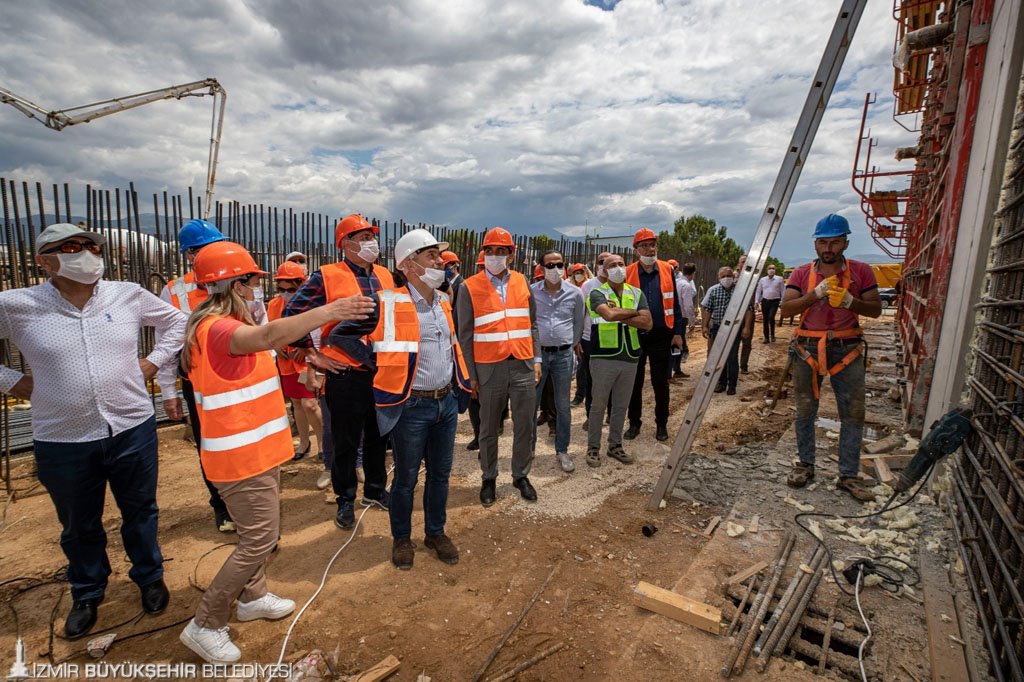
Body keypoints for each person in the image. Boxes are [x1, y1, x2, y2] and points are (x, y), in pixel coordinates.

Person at [178, 241, 374, 662]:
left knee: (260, 534)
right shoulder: (218, 330)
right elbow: (267, 335)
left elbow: (267, 349)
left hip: (258, 451)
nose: (256, 290)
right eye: (250, 281)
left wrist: (308, 356)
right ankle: (206, 622)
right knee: (259, 539)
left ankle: (252, 598)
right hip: (239, 458)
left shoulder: (227, 325)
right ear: (233, 284)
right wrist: (331, 311)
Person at [0, 223, 186, 640]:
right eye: (70, 247)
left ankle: (149, 576)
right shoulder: (16, 304)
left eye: (92, 246)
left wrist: (153, 361)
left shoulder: (127, 294)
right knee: (79, 522)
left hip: (131, 425)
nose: (86, 253)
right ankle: (87, 591)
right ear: (43, 260)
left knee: (141, 511)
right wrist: (11, 381)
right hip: (63, 437)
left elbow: (177, 323)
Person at [331, 230, 471, 569]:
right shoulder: (387, 302)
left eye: (439, 256)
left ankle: (435, 532)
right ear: (408, 264)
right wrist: (377, 364)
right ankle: (402, 538)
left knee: (440, 474)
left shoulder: (444, 302)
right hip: (411, 407)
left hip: (445, 403)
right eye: (431, 256)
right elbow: (340, 334)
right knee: (407, 477)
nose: (440, 261)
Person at [282, 213, 394, 530]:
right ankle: (345, 499)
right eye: (362, 237)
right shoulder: (326, 275)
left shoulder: (386, 275)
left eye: (372, 235)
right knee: (345, 441)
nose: (370, 241)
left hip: (381, 369)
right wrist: (310, 354)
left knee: (377, 436)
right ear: (344, 243)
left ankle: (374, 490)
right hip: (345, 372)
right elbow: (293, 314)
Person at [780, 214, 882, 502]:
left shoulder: (862, 272)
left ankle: (848, 474)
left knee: (852, 413)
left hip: (846, 349)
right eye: (823, 242)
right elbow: (786, 310)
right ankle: (805, 464)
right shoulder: (801, 274)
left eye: (835, 242)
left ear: (845, 242)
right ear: (815, 244)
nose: (829, 248)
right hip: (808, 349)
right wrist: (813, 295)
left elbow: (874, 309)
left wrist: (851, 301)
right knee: (804, 410)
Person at [157, 219, 239, 533]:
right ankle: (222, 506)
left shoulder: (238, 279)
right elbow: (168, 343)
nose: (215, 252)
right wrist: (168, 391)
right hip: (200, 382)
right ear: (190, 255)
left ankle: (248, 502)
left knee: (244, 441)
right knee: (211, 445)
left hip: (238, 379)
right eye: (205, 248)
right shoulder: (175, 291)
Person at [456, 227, 542, 506]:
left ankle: (520, 475)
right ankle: (489, 477)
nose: (495, 256)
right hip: (488, 368)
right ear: (483, 254)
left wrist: (537, 359)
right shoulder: (469, 286)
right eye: (490, 251)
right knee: (488, 428)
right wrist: (470, 374)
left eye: (501, 251)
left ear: (510, 255)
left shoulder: (522, 282)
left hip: (522, 364)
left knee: (524, 425)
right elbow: (464, 335)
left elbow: (532, 325)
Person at [586, 253, 653, 467]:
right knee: (598, 404)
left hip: (630, 355)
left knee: (621, 405)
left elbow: (648, 323)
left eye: (621, 264)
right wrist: (634, 313)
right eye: (612, 265)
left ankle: (615, 445)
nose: (617, 268)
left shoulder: (636, 292)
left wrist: (621, 312)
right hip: (604, 355)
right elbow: (608, 315)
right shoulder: (597, 293)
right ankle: (593, 448)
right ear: (604, 271)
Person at [625, 228, 684, 442]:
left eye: (652, 245)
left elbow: (675, 304)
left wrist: (678, 332)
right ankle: (634, 423)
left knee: (661, 382)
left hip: (662, 334)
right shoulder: (628, 272)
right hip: (635, 334)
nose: (650, 249)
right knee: (635, 382)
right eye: (645, 245)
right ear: (636, 250)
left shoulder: (667, 270)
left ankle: (661, 425)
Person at [530, 250, 586, 473]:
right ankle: (529, 448)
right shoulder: (531, 292)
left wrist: (571, 345)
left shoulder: (575, 293)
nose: (555, 269)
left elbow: (578, 322)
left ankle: (562, 450)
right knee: (531, 404)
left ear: (565, 266)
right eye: (550, 265)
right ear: (542, 268)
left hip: (563, 354)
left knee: (563, 405)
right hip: (538, 356)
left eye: (559, 264)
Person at [267, 261, 323, 462]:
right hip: (286, 362)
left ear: (302, 284)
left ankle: (323, 444)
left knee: (310, 404)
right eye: (281, 289)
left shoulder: (310, 303)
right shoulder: (274, 305)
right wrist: (275, 346)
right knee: (297, 404)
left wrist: (304, 348)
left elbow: (318, 331)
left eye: (290, 288)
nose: (285, 293)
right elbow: (269, 331)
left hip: (306, 362)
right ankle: (304, 443)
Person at [701, 266, 745, 395]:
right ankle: (721, 383)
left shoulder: (740, 291)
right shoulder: (713, 291)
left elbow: (748, 309)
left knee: (732, 357)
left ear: (733, 277)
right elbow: (708, 309)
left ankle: (732, 385)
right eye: (723, 276)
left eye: (729, 276)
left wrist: (746, 326)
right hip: (718, 327)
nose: (727, 278)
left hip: (734, 329)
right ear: (719, 278)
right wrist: (704, 325)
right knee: (719, 357)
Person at [578, 252, 612, 420]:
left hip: (613, 339)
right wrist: (577, 339)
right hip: (589, 339)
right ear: (597, 265)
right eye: (601, 262)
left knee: (612, 380)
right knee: (591, 379)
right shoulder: (588, 286)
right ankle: (591, 416)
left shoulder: (620, 285)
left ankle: (611, 415)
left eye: (609, 261)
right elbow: (580, 313)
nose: (605, 265)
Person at [673, 262, 697, 379]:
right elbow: (688, 306)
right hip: (681, 318)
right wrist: (692, 321)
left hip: (672, 317)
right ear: (693, 274)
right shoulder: (686, 286)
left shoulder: (676, 282)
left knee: (673, 343)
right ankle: (676, 370)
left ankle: (674, 369)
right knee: (679, 343)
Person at [735, 255, 755, 374]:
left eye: (747, 262)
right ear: (739, 264)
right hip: (734, 314)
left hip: (748, 313)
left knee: (747, 341)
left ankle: (743, 366)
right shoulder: (733, 277)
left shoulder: (754, 278)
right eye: (743, 262)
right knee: (733, 341)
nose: (745, 264)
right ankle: (733, 365)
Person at [755, 263, 785, 343]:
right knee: (765, 320)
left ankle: (772, 335)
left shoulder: (779, 279)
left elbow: (783, 291)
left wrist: (782, 301)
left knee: (771, 317)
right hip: (765, 301)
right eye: (770, 268)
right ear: (767, 270)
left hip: (775, 301)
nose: (771, 270)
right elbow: (758, 291)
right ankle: (766, 337)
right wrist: (756, 301)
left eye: (773, 268)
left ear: (775, 270)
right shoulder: (762, 280)